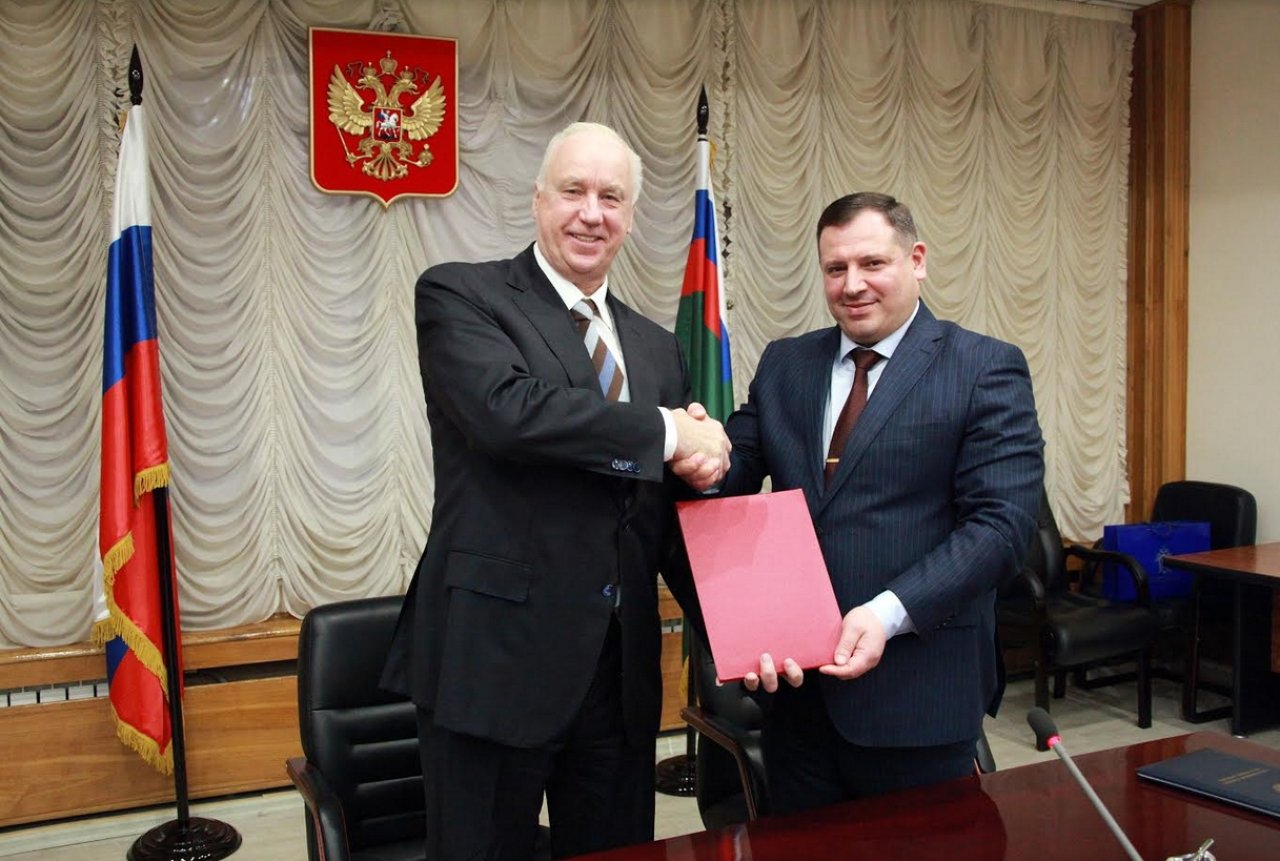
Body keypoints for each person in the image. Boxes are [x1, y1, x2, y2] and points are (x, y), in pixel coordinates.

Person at [379, 122, 730, 860]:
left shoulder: (656, 347)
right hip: (493, 665)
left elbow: (659, 516)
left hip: (618, 677)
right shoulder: (461, 294)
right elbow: (507, 413)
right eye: (573, 191)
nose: (591, 213)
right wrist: (668, 433)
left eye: (611, 197)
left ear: (631, 215)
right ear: (539, 200)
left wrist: (744, 626)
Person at [719, 191, 1044, 812]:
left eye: (872, 263)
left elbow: (1000, 529)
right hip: (797, 696)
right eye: (835, 268)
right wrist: (691, 446)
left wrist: (887, 614)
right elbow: (730, 474)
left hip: (918, 693)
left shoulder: (984, 366)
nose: (852, 285)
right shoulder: (787, 364)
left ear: (916, 260)